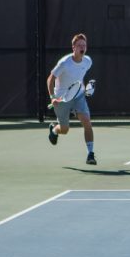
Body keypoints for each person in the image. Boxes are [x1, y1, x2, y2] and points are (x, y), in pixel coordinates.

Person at [47, 33, 97, 165]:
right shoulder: (64, 63)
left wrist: (86, 89)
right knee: (65, 129)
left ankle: (90, 154)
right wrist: (52, 97)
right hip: (62, 98)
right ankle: (54, 129)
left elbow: (79, 77)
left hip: (79, 95)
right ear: (73, 47)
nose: (82, 48)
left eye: (84, 45)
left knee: (87, 122)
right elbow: (50, 79)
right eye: (79, 45)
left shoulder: (87, 61)